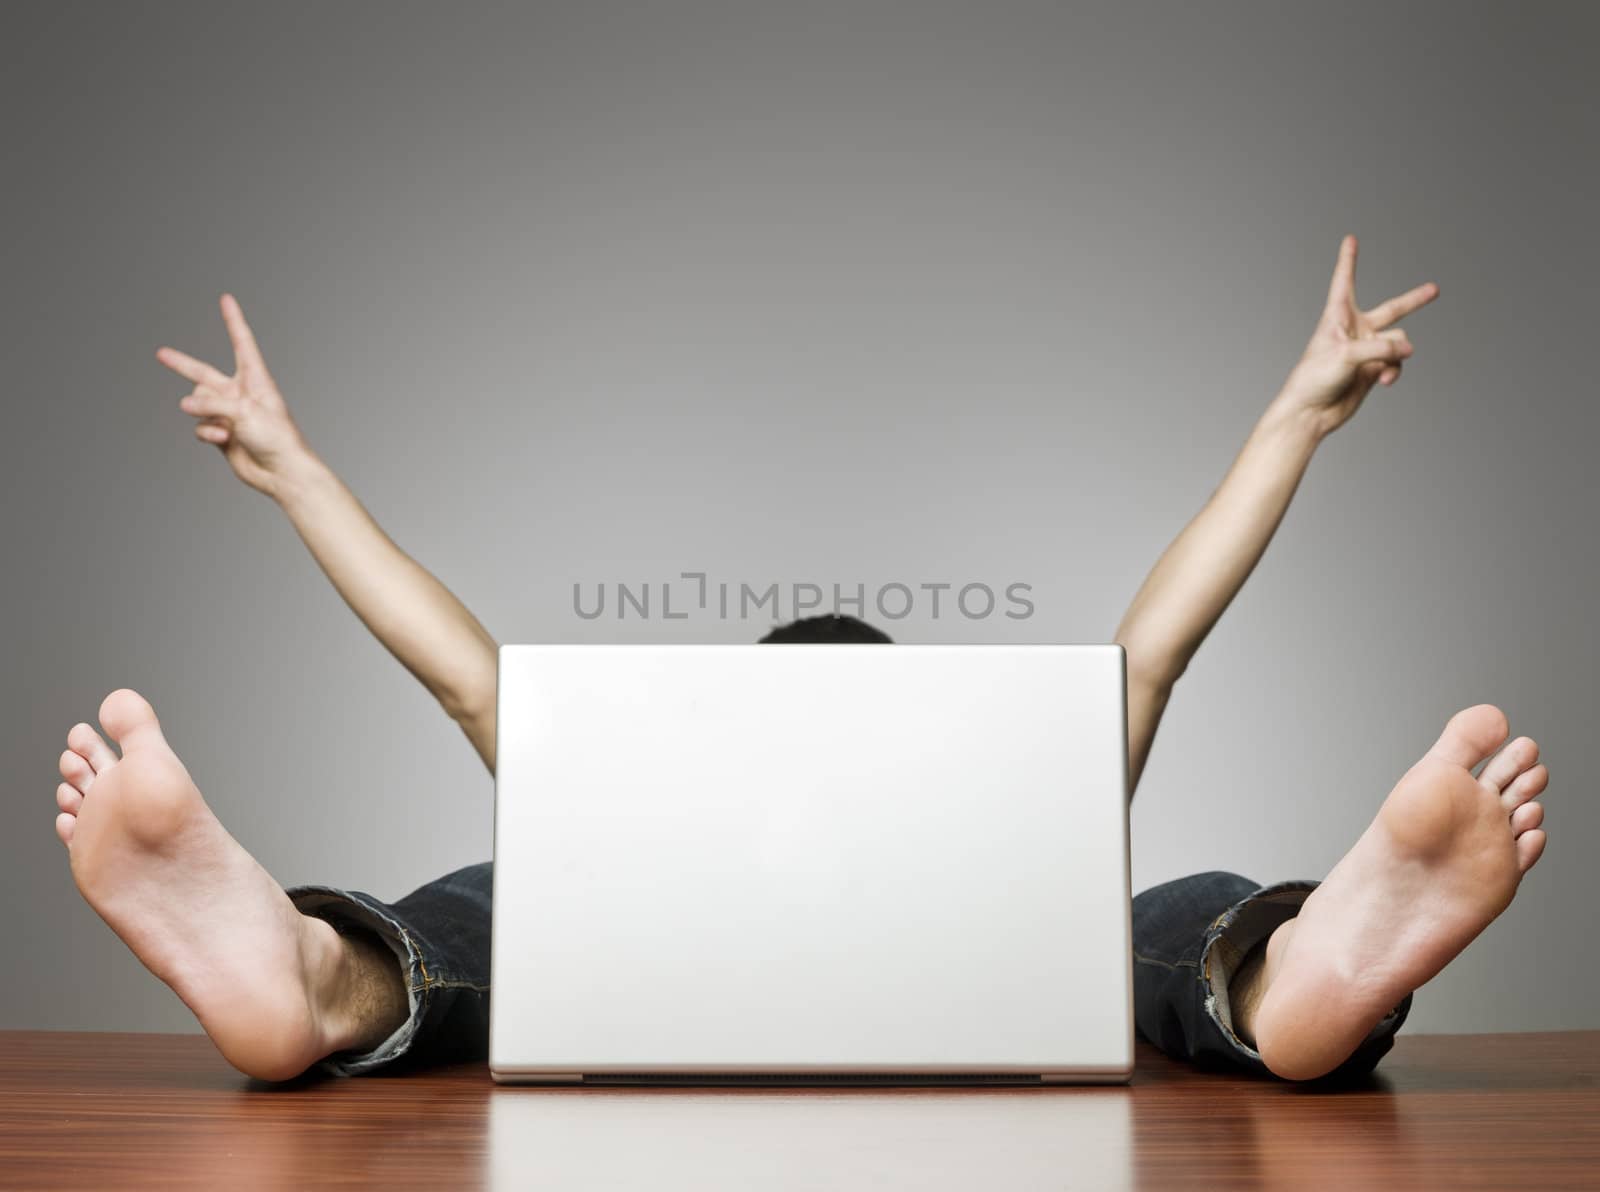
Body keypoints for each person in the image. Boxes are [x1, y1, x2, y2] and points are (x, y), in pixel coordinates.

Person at [52, 236, 1548, 1084]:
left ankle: (323, 983)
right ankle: (1275, 985)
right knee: (1157, 925)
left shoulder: (674, 820)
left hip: (731, 930)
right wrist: (1291, 421)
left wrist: (300, 472)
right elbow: (1167, 633)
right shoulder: (668, 833)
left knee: (487, 921)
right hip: (753, 935)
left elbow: (458, 670)